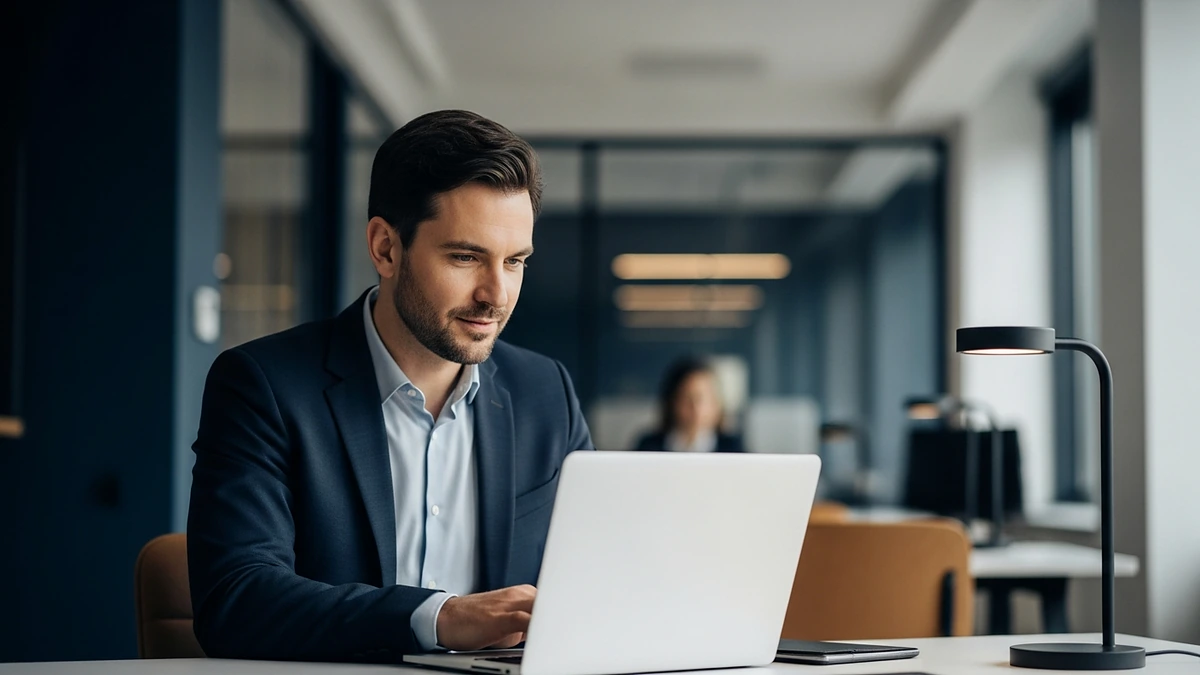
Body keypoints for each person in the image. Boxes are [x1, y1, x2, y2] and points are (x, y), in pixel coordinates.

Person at [188, 110, 593, 663]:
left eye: (515, 261)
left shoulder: (546, 392)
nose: (496, 294)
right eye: (466, 257)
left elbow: (603, 577)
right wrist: (439, 618)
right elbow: (236, 600)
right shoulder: (264, 386)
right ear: (385, 248)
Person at [635, 357, 743, 453]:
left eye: (702, 399)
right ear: (672, 401)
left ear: (717, 402)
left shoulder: (733, 449)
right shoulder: (648, 447)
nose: (695, 408)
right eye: (687, 398)